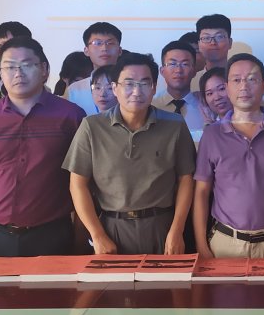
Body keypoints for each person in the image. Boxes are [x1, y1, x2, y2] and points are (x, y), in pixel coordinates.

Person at [0, 36, 86, 257]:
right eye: (9, 67)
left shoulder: (71, 116)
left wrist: (81, 238)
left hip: (52, 235)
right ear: (0, 73)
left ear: (44, 69)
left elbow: (83, 182)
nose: (18, 73)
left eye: (27, 65)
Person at [64, 52, 196, 255]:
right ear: (115, 88)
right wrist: (97, 235)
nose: (136, 91)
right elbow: (77, 184)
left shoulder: (174, 125)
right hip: (111, 227)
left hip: (162, 225)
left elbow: (186, 180)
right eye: (128, 84)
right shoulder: (92, 127)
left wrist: (177, 231)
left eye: (144, 83)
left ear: (153, 88)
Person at [193, 54, 264, 259]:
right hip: (225, 243)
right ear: (227, 87)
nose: (244, 86)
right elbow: (201, 191)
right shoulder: (212, 135)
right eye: (236, 80)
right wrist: (201, 244)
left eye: (252, 79)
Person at [66, 22, 123, 115]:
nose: (104, 48)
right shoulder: (74, 90)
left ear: (120, 50)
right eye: (97, 43)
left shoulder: (131, 86)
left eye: (110, 43)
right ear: (86, 50)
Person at [152, 40, 205, 137]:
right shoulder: (150, 105)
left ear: (194, 71)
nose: (178, 70)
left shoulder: (205, 107)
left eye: (185, 64)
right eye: (172, 64)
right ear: (162, 71)